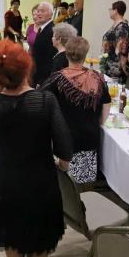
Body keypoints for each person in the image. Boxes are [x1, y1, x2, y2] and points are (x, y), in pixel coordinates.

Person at [0, 40, 72, 257]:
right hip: (39, 182)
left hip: (5, 180)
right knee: (39, 238)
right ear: (26, 68)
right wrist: (63, 164)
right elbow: (64, 147)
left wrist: (2, 81)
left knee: (11, 234)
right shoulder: (44, 101)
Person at [39, 37, 110, 184]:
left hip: (64, 142)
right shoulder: (98, 78)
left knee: (63, 183)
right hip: (89, 140)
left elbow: (39, 99)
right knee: (82, 185)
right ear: (85, 55)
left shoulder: (57, 78)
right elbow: (106, 108)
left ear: (66, 54)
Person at [101, 0, 129, 83]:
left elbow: (123, 50)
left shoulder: (122, 27)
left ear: (115, 11)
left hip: (115, 70)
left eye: (111, 9)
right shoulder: (116, 25)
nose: (109, 11)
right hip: (109, 66)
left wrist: (121, 69)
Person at [30, 2, 57, 86]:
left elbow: (49, 59)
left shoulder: (52, 30)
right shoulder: (42, 28)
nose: (39, 14)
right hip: (38, 74)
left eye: (42, 11)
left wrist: (41, 81)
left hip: (43, 78)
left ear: (51, 14)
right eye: (38, 11)